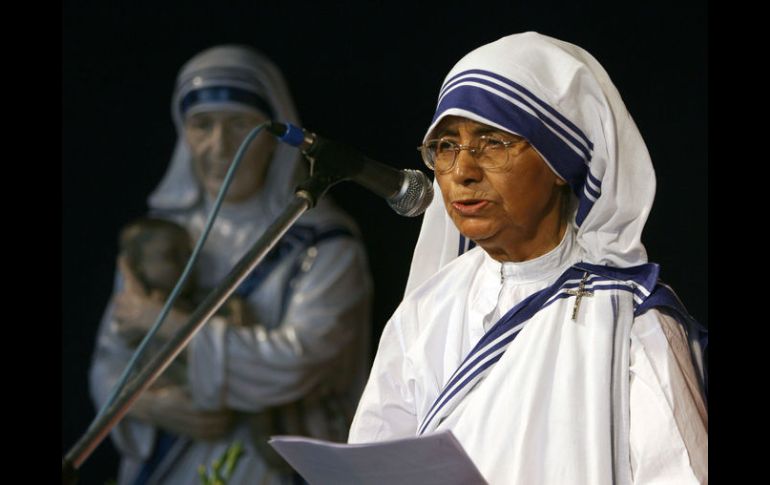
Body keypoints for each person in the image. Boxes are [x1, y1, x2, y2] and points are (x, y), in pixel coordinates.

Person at [348, 32, 707, 484]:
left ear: (560, 160)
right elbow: (370, 465)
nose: (462, 171)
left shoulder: (632, 322)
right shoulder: (425, 311)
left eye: (493, 142)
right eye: (446, 146)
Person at [89, 45, 372, 484]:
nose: (220, 147)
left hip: (265, 467)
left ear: (275, 136)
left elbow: (295, 364)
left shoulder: (325, 245)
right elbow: (111, 360)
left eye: (240, 125)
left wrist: (160, 322)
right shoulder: (157, 238)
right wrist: (148, 404)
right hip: (168, 465)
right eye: (203, 125)